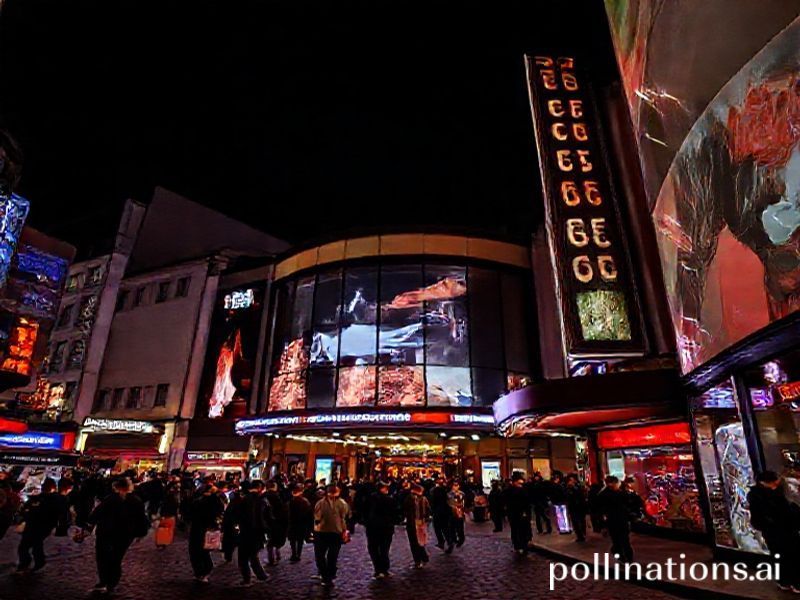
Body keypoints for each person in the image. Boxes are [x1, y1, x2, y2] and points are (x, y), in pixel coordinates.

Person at [82, 477, 149, 594]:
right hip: (125, 535)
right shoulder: (136, 501)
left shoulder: (110, 499)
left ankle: (104, 581)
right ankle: (112, 582)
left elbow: (97, 513)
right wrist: (140, 533)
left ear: (116, 487)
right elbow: (141, 519)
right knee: (116, 558)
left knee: (103, 557)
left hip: (106, 533)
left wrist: (88, 527)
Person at [747, 470, 800, 592]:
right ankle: (793, 582)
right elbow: (780, 512)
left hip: (778, 531)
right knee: (788, 556)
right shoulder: (765, 496)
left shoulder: (764, 494)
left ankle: (785, 581)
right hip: (779, 531)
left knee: (783, 556)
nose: (776, 485)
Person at [16, 478, 72, 573]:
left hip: (40, 525)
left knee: (31, 544)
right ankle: (32, 563)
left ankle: (31, 563)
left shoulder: (51, 499)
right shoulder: (52, 498)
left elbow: (63, 514)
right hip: (37, 525)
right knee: (30, 545)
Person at [234, 479, 272, 587]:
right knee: (253, 555)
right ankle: (261, 575)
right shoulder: (262, 500)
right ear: (260, 488)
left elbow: (238, 516)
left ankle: (247, 579)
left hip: (246, 532)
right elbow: (267, 517)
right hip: (257, 533)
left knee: (243, 558)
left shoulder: (244, 500)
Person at [313, 484, 350, 587]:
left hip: (329, 532)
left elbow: (317, 518)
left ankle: (327, 575)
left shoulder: (339, 503)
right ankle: (327, 575)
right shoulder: (322, 503)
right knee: (326, 556)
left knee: (328, 556)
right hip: (326, 532)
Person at [188, 480, 225, 582]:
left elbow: (189, 513)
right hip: (209, 528)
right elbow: (220, 511)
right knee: (205, 551)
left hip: (197, 528)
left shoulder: (196, 500)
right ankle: (205, 570)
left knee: (196, 551)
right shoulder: (216, 501)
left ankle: (200, 572)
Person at [597, 476, 634, 563]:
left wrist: (603, 525)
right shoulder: (619, 494)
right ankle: (627, 558)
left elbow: (600, 511)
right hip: (618, 520)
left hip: (614, 521)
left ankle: (623, 557)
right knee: (623, 541)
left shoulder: (602, 494)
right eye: (617, 483)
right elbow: (627, 505)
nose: (618, 484)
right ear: (612, 483)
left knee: (618, 541)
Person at [366, 481, 396, 578]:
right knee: (384, 549)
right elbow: (394, 513)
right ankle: (384, 569)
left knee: (374, 548)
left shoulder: (370, 499)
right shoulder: (389, 500)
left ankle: (378, 569)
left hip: (372, 527)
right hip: (385, 527)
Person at [404, 483, 431, 568]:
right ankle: (423, 557)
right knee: (420, 541)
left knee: (414, 542)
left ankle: (418, 561)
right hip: (421, 522)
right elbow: (428, 510)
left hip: (413, 523)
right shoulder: (424, 499)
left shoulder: (410, 498)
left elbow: (405, 510)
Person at [504, 473, 532, 555]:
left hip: (522, 515)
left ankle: (523, 545)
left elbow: (527, 502)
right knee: (517, 531)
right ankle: (519, 546)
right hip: (515, 514)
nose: (520, 484)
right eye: (519, 483)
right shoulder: (510, 491)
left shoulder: (523, 490)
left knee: (523, 531)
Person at [222, 481, 247, 563]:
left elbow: (227, 516)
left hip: (230, 525)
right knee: (234, 541)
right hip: (236, 525)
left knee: (229, 541)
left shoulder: (231, 505)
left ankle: (228, 555)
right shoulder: (240, 504)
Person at [287, 483, 313, 562]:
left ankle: (294, 554)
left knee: (293, 540)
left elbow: (287, 513)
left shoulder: (290, 501)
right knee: (300, 540)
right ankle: (298, 554)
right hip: (301, 524)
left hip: (293, 523)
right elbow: (309, 514)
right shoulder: (305, 501)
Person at [265, 481, 288, 565]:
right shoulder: (277, 496)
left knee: (272, 540)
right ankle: (273, 558)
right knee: (273, 541)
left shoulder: (265, 496)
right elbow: (281, 509)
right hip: (277, 521)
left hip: (270, 521)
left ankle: (273, 557)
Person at [565, 474, 588, 542]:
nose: (571, 482)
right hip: (573, 507)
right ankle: (580, 535)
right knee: (575, 523)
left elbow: (581, 496)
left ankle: (582, 535)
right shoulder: (568, 488)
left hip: (579, 507)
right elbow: (567, 497)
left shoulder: (578, 487)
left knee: (580, 521)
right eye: (570, 480)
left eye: (572, 480)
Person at [429, 478, 450, 549]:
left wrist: (431, 510)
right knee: (445, 527)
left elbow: (432, 502)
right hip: (445, 511)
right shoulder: (445, 491)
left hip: (437, 511)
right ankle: (449, 541)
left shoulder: (434, 491)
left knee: (437, 527)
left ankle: (441, 541)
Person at [446, 479, 466, 552]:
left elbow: (464, 502)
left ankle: (461, 540)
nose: (456, 487)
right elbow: (450, 503)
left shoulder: (462, 494)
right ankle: (453, 541)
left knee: (460, 528)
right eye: (454, 485)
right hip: (452, 514)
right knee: (452, 529)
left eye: (457, 485)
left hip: (460, 514)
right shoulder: (449, 494)